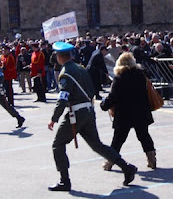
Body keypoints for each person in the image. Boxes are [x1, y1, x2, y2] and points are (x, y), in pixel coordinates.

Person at [47, 42, 137, 192]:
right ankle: (126, 167)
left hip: (76, 113)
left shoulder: (66, 73)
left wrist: (54, 118)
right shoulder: (80, 68)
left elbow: (63, 98)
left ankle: (64, 180)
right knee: (97, 145)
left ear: (59, 56)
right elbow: (91, 90)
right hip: (88, 111)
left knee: (58, 144)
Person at [100, 52, 157, 171]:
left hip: (124, 113)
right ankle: (152, 159)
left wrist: (104, 105)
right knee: (144, 136)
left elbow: (113, 96)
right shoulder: (141, 75)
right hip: (140, 111)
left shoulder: (119, 78)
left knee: (118, 139)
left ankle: (110, 162)